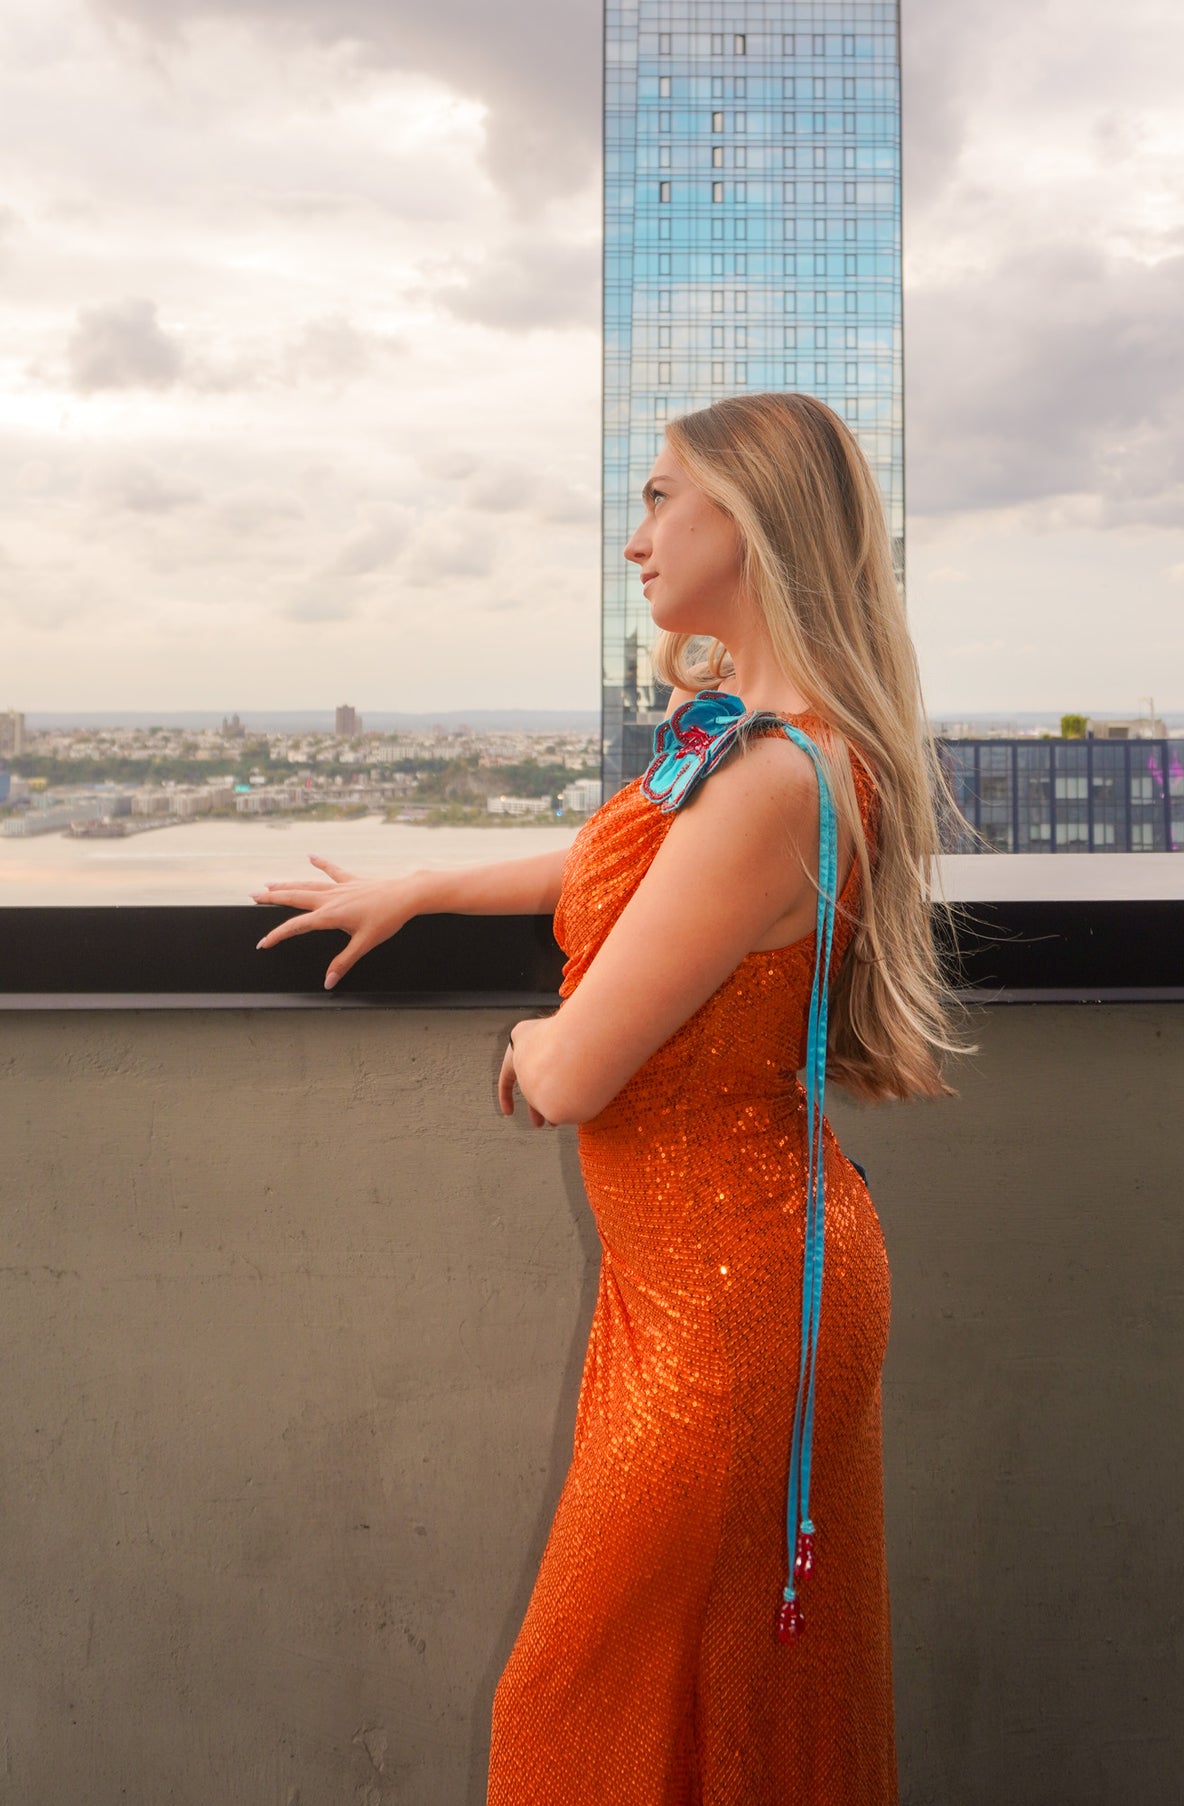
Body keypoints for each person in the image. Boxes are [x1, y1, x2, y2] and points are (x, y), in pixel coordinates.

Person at [252, 392, 974, 1803]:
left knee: (570, 1706)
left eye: (659, 497)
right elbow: (620, 866)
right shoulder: (763, 737)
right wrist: (422, 883)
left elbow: (575, 1068)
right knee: (709, 1712)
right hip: (720, 1277)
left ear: (750, 522)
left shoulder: (777, 773)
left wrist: (531, 1034)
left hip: (726, 1305)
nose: (634, 535)